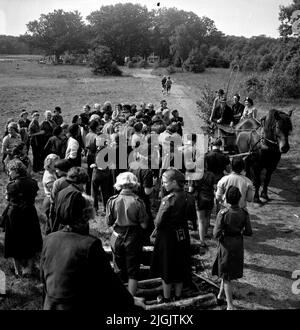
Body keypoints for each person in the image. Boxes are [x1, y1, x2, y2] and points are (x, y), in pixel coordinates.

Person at [40, 194, 143, 311]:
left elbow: (43, 277)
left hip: (50, 304)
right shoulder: (90, 244)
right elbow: (109, 282)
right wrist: (131, 300)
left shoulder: (49, 239)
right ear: (88, 215)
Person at [150, 168, 197, 303]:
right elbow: (192, 218)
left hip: (167, 237)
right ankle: (178, 295)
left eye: (165, 182)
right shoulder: (189, 197)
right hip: (183, 235)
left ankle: (166, 297)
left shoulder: (168, 199)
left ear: (174, 182)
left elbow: (158, 222)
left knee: (167, 266)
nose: (163, 184)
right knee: (181, 264)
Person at [106, 172, 149, 296]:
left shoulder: (112, 200)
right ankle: (131, 300)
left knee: (118, 268)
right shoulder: (138, 201)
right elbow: (144, 225)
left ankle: (118, 298)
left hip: (117, 235)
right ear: (134, 184)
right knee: (133, 270)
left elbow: (108, 222)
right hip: (133, 237)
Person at [212, 186, 253, 310]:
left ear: (226, 198)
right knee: (227, 274)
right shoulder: (244, 213)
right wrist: (239, 232)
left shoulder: (223, 213)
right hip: (238, 244)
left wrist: (223, 233)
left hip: (226, 245)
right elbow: (249, 232)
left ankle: (230, 306)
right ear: (240, 198)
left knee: (226, 275)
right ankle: (220, 296)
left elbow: (215, 234)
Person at [1, 159, 42, 277]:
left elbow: (8, 199)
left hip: (15, 215)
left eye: (10, 171)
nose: (9, 173)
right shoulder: (33, 182)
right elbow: (34, 195)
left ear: (16, 170)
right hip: (30, 213)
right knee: (30, 239)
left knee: (14, 240)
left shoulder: (11, 185)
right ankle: (28, 269)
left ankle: (17, 270)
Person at [51, 167, 88, 233]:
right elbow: (80, 217)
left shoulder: (61, 192)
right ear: (82, 182)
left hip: (60, 227)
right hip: (74, 231)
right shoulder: (78, 195)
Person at [188, 169, 215, 251]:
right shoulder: (211, 174)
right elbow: (214, 187)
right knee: (207, 217)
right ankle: (205, 234)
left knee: (201, 221)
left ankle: (202, 241)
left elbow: (191, 190)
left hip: (200, 199)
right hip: (210, 198)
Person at [42, 154, 60, 231]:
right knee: (52, 225)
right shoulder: (48, 176)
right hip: (50, 202)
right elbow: (54, 190)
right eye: (55, 163)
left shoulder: (53, 172)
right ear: (49, 164)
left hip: (53, 200)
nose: (57, 165)